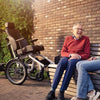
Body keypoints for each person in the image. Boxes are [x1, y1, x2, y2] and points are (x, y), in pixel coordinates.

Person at [46, 23, 90, 100]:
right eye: (78, 29)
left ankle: (62, 91)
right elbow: (63, 52)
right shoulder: (68, 39)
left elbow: (87, 54)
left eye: (81, 29)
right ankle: (52, 90)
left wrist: (78, 56)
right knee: (62, 62)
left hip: (77, 58)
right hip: (68, 56)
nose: (80, 31)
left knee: (72, 63)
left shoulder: (85, 39)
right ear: (73, 31)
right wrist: (70, 55)